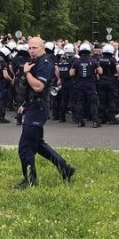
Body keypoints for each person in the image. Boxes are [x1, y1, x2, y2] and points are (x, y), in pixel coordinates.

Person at [15, 36, 75, 189]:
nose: (31, 50)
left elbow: (38, 87)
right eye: (29, 48)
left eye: (34, 48)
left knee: (25, 146)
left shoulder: (45, 64)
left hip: (39, 108)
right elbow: (29, 90)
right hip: (33, 106)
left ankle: (30, 181)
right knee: (37, 144)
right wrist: (24, 104)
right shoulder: (35, 62)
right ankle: (65, 168)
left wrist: (27, 73)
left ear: (42, 48)